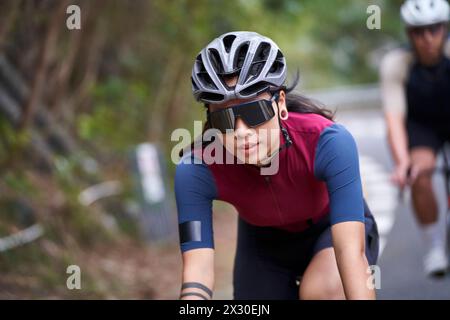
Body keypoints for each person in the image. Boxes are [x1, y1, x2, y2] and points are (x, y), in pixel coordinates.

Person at [175, 31, 379, 300]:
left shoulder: (328, 141)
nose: (242, 132)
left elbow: (350, 254)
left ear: (280, 103)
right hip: (263, 243)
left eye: (253, 112)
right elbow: (197, 273)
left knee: (322, 292)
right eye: (223, 119)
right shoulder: (196, 169)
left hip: (330, 229)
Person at [380, 0, 450, 277]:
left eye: (434, 29)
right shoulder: (396, 63)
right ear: (409, 34)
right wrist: (402, 163)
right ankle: (434, 245)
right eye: (418, 32)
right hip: (422, 126)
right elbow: (394, 120)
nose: (427, 38)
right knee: (419, 172)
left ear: (444, 29)